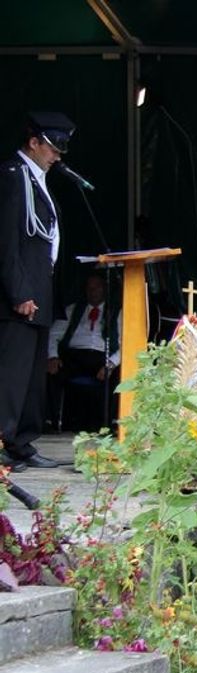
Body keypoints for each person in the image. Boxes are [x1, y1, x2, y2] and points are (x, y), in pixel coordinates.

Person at [0, 112, 74, 472]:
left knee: (32, 376)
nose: (58, 155)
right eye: (53, 147)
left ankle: (21, 443)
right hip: (21, 293)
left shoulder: (37, 178)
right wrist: (19, 292)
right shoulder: (13, 176)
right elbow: (6, 242)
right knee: (12, 374)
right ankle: (3, 439)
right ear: (34, 142)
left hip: (40, 287)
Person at [47, 271, 121, 432]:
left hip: (102, 357)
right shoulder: (72, 310)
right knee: (52, 372)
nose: (92, 291)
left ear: (105, 289)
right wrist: (52, 356)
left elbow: (124, 343)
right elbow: (53, 335)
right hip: (75, 356)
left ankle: (111, 424)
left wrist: (111, 364)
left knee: (119, 375)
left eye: (97, 287)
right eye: (89, 288)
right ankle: (51, 421)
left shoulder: (116, 312)